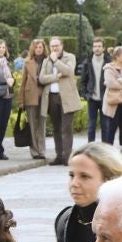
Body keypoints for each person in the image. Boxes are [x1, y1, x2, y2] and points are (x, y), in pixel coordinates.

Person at [39, 36, 80, 167]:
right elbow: (41, 78)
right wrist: (55, 77)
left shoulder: (70, 57)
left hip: (67, 97)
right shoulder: (46, 60)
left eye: (57, 45)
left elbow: (68, 71)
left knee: (66, 128)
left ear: (62, 46)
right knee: (56, 127)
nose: (55, 48)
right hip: (52, 96)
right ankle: (59, 155)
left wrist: (56, 61)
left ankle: (68, 157)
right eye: (52, 46)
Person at [99, 46, 122, 159]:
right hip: (113, 102)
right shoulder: (108, 68)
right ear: (117, 56)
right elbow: (111, 83)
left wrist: (121, 80)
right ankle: (109, 151)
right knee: (112, 126)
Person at [16, 37, 49, 161]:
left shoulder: (48, 61)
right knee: (32, 124)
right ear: (33, 49)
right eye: (36, 47)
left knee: (42, 123)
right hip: (30, 95)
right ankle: (34, 150)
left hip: (44, 95)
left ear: (44, 48)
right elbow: (23, 81)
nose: (39, 49)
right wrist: (21, 100)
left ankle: (42, 150)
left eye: (41, 47)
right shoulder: (28, 62)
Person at [80, 37, 107, 145]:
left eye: (99, 46)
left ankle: (105, 147)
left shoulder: (108, 61)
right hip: (92, 97)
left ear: (103, 48)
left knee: (105, 124)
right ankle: (90, 147)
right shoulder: (87, 62)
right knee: (91, 124)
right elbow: (83, 81)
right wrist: (86, 94)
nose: (97, 49)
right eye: (95, 46)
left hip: (105, 98)